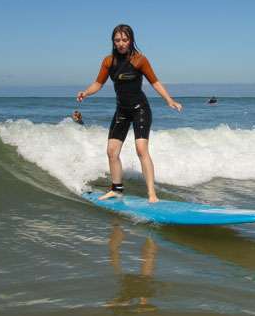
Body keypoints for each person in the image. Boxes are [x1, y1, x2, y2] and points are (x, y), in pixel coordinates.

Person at [77, 24, 182, 203]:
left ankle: (151, 193)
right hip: (122, 111)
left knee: (141, 150)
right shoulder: (108, 61)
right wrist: (86, 92)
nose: (121, 44)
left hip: (140, 109)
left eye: (125, 40)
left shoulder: (140, 60)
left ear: (131, 40)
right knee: (111, 151)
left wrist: (169, 99)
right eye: (117, 40)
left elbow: (155, 82)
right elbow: (98, 84)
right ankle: (117, 190)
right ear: (113, 41)